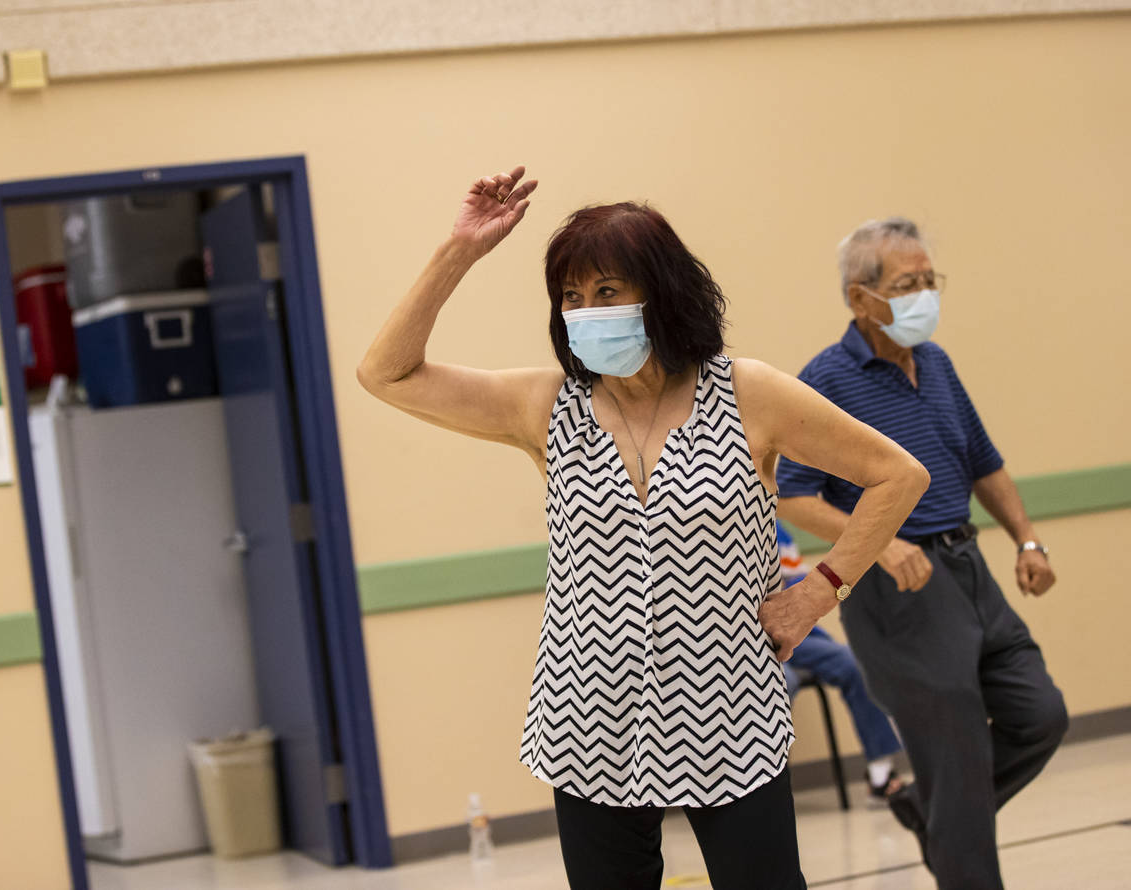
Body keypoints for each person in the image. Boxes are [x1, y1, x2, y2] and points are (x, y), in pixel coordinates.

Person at [357, 167, 929, 890]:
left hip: (730, 712)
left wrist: (820, 589)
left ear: (659, 295)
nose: (587, 310)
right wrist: (460, 251)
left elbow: (897, 476)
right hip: (588, 719)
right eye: (572, 296)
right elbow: (387, 374)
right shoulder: (544, 405)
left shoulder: (748, 393)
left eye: (607, 292)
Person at [775, 217, 1068, 889]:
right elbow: (793, 495)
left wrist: (1028, 538)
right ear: (860, 298)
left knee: (1041, 716)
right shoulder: (826, 378)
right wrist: (882, 545)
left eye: (929, 281)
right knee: (958, 758)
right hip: (900, 592)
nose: (924, 296)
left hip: (969, 569)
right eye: (908, 284)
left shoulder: (935, 365)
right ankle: (953, 836)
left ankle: (924, 807)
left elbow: (986, 464)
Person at [775, 521, 905, 802]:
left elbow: (801, 586)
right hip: (746, 640)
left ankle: (880, 775)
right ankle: (766, 785)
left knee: (853, 664)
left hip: (797, 633)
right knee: (783, 681)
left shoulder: (778, 530)